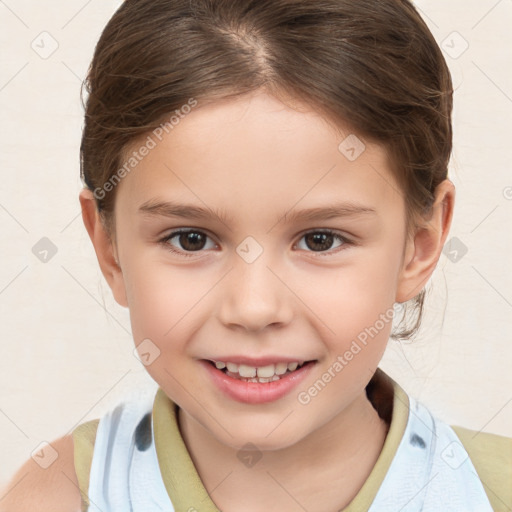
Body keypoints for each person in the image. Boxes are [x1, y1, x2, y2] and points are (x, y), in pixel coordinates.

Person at [2, 0, 511, 510]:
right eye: (191, 239)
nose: (253, 308)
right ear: (109, 249)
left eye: (321, 240)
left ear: (418, 247)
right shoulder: (59, 495)